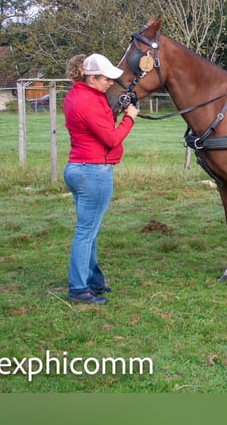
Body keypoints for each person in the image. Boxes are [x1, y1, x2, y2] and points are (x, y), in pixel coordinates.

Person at [63, 53, 139, 305]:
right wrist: (129, 118)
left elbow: (99, 127)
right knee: (85, 233)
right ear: (92, 77)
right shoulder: (88, 101)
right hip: (93, 171)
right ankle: (79, 289)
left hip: (79, 167)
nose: (110, 83)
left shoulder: (79, 94)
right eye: (106, 79)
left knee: (89, 231)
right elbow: (111, 139)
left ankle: (94, 281)